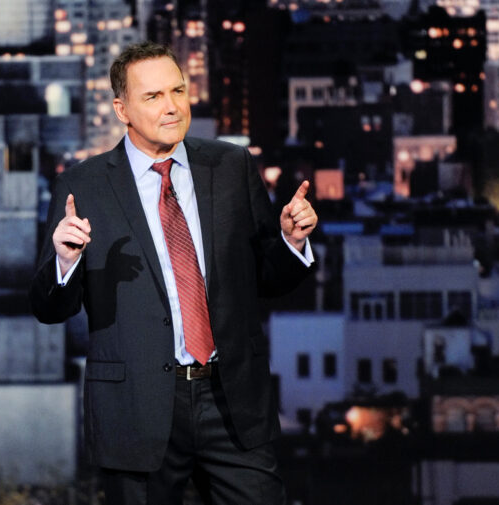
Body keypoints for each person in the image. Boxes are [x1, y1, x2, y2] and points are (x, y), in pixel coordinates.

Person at [30, 41, 318, 505]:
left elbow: (266, 279)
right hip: (137, 409)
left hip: (232, 402)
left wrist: (291, 242)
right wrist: (66, 262)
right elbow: (48, 307)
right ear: (122, 109)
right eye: (153, 97)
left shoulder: (231, 166)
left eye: (178, 91)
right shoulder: (83, 186)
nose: (172, 107)